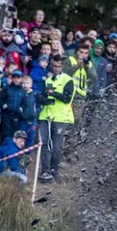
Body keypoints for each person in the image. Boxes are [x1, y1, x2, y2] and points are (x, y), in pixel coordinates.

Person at [38, 54, 75, 182]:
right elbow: (43, 95)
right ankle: (45, 171)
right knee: (45, 144)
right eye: (54, 66)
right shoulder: (48, 80)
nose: (56, 68)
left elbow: (67, 98)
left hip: (60, 117)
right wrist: (42, 98)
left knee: (57, 147)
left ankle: (54, 171)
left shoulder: (68, 80)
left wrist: (53, 93)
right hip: (46, 115)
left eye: (59, 66)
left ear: (62, 67)